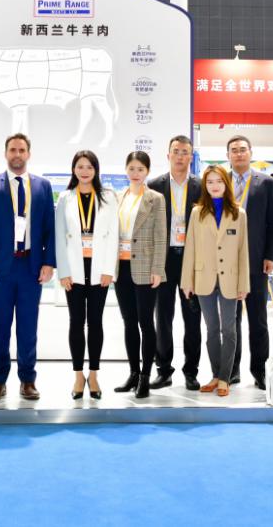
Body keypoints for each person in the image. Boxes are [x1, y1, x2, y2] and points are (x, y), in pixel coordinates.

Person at [0, 133, 56, 402]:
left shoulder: (43, 186)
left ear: (28, 154)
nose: (17, 154)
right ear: (5, 153)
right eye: (13, 150)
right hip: (0, 269)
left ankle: (28, 379)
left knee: (28, 327)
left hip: (31, 267)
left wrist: (49, 262)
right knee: (0, 328)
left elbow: (49, 228)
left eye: (22, 150)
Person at [54, 150, 118, 400]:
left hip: (100, 269)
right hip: (74, 271)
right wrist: (63, 271)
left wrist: (109, 269)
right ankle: (78, 375)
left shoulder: (108, 197)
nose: (84, 171)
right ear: (73, 169)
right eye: (80, 166)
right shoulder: (65, 197)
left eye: (89, 167)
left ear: (96, 170)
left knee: (96, 322)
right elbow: (59, 236)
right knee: (76, 322)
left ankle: (94, 374)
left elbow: (113, 235)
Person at [181, 166, 249, 398]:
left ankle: (225, 378)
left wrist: (244, 284)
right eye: (209, 182)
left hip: (230, 278)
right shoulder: (197, 213)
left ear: (226, 184)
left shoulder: (238, 213)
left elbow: (243, 252)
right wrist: (187, 281)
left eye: (219, 181)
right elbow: (190, 248)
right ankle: (215, 374)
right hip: (204, 278)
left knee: (229, 329)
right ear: (205, 186)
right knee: (211, 329)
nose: (214, 186)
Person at [147, 135, 204, 391]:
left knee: (192, 317)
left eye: (185, 152)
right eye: (176, 151)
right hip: (164, 258)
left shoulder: (201, 187)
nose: (180, 156)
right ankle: (163, 370)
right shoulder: (154, 185)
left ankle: (191, 371)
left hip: (191, 259)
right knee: (163, 317)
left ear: (191, 157)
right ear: (168, 155)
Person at [110, 150, 166, 399]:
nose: (135, 173)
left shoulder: (156, 199)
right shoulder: (117, 197)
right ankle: (133, 373)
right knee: (129, 322)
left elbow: (161, 236)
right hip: (121, 268)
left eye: (140, 169)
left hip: (145, 268)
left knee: (146, 323)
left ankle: (145, 376)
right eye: (131, 168)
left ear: (147, 172)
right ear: (126, 170)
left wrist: (157, 269)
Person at [226, 135, 273, 390]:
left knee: (258, 319)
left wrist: (270, 255)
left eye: (242, 150)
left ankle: (260, 370)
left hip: (256, 260)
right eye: (234, 150)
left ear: (251, 152)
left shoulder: (265, 183)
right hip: (226, 262)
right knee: (230, 320)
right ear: (228, 155)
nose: (239, 154)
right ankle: (231, 370)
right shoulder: (220, 181)